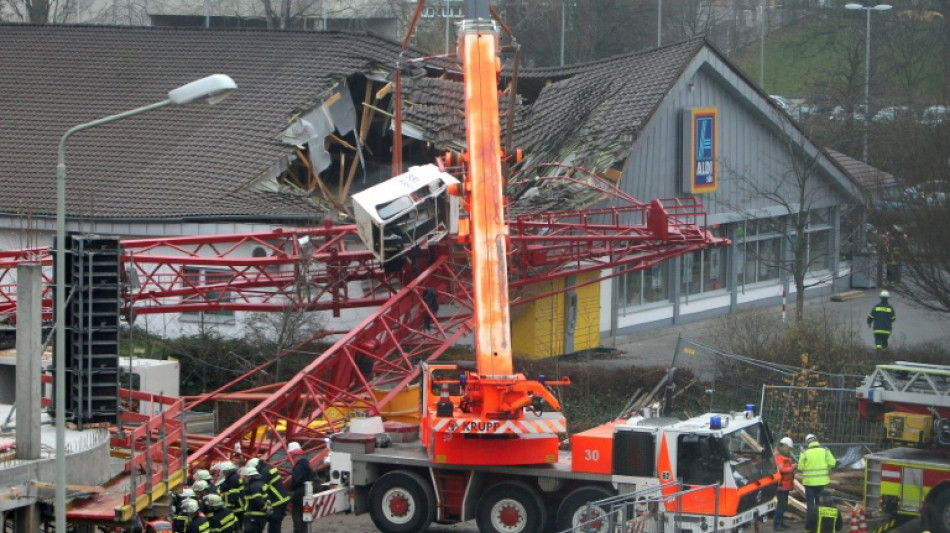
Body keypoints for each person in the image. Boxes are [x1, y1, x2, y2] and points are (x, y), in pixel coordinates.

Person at [800, 434, 836, 524]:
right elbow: (833, 463)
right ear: (816, 440)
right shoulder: (825, 451)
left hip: (809, 483)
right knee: (820, 502)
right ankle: (820, 521)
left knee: (810, 503)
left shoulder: (804, 453)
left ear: (807, 442)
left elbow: (800, 467)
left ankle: (811, 522)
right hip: (821, 482)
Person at [246, 457, 289, 533]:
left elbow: (260, 488)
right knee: (276, 523)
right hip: (282, 498)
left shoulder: (263, 474)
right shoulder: (268, 468)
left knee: (274, 524)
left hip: (277, 501)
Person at [289, 442, 315, 533]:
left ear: (296, 456)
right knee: (305, 517)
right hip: (307, 493)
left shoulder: (298, 467)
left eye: (293, 457)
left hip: (298, 495)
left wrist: (291, 491)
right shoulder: (307, 465)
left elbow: (295, 481)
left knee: (297, 517)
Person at [772, 437, 796, 530]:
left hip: (786, 485)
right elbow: (780, 469)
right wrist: (792, 468)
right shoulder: (777, 455)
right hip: (780, 485)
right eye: (789, 447)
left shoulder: (785, 455)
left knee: (783, 504)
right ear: (784, 446)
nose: (789, 449)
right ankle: (777, 524)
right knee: (781, 505)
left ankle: (780, 522)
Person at [241, 466, 269, 533]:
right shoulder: (261, 483)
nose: (245, 479)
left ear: (250, 477)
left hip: (254, 516)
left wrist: (265, 508)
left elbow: (258, 500)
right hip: (259, 515)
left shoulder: (253, 486)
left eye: (246, 477)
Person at [216, 461, 245, 527]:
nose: (223, 473)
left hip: (237, 507)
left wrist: (228, 507)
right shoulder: (234, 476)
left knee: (236, 525)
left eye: (224, 471)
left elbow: (232, 495)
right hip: (239, 505)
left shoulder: (233, 479)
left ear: (227, 471)